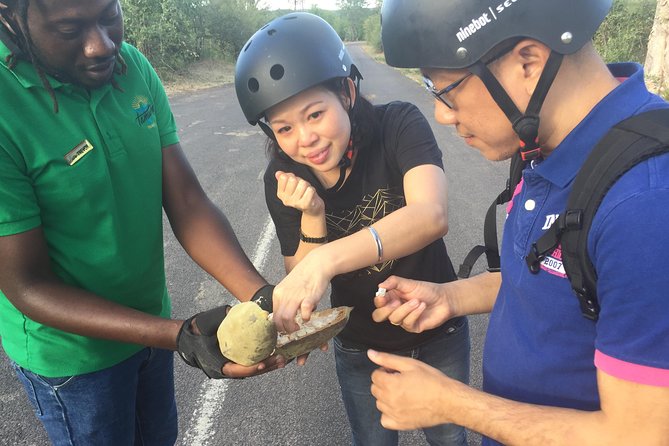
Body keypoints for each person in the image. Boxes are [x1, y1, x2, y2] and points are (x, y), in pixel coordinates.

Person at [368, 0, 669, 444]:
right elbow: (550, 279)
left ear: (528, 62)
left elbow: (639, 435)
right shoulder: (545, 144)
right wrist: (449, 298)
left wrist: (451, 403)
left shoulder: (644, 202)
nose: (442, 115)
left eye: (446, 91)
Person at [0, 1, 284, 444]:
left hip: (149, 330)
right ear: (9, 15)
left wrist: (262, 296)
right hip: (74, 363)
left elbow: (187, 203)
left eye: (110, 14)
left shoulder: (130, 66)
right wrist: (181, 337)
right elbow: (26, 285)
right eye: (70, 28)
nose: (102, 45)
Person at [234, 12, 469, 446]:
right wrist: (313, 216)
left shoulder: (398, 124)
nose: (305, 138)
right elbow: (304, 280)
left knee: (450, 439)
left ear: (347, 91)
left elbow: (431, 214)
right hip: (360, 344)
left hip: (439, 329)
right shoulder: (284, 179)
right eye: (284, 128)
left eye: (315, 114)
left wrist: (328, 259)